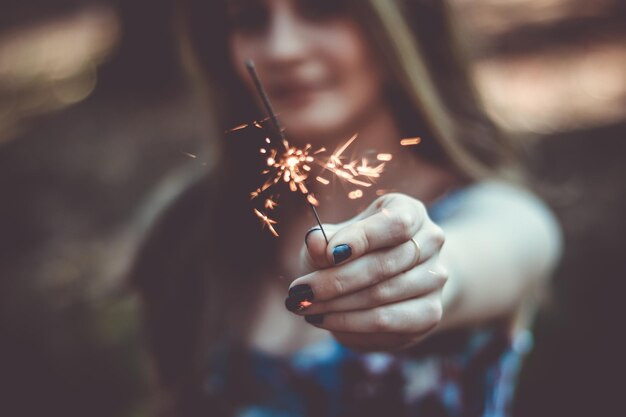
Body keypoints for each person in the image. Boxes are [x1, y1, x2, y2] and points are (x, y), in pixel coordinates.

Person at [132, 0, 562, 416]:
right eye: (249, 17)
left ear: (404, 20)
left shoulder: (496, 212)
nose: (282, 49)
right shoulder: (193, 226)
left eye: (323, 7)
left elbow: (496, 249)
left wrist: (420, 270)